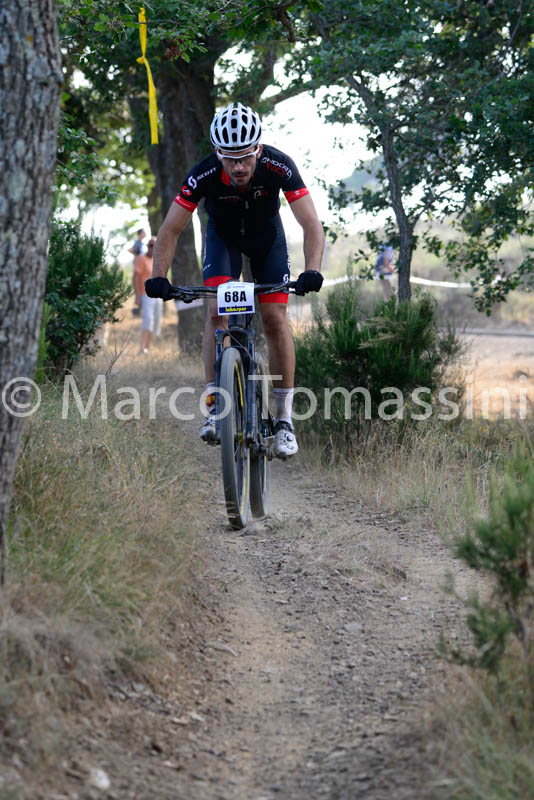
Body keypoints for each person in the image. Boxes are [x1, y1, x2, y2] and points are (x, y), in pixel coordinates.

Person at [145, 102, 325, 458]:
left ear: (258, 149)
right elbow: (170, 230)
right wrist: (158, 277)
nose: (239, 166)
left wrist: (312, 269)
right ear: (218, 153)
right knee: (216, 315)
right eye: (230, 159)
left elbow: (310, 224)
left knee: (274, 320)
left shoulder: (278, 165)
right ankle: (215, 407)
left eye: (244, 157)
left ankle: (284, 420)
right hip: (223, 240)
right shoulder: (203, 174)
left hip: (267, 242)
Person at [134, 238, 162, 354]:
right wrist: (137, 295)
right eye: (150, 245)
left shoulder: (158, 260)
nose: (152, 248)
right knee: (148, 319)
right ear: (148, 246)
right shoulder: (141, 258)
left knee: (155, 321)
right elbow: (136, 277)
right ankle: (141, 348)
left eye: (155, 246)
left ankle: (147, 348)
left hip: (157, 295)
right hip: (146, 294)